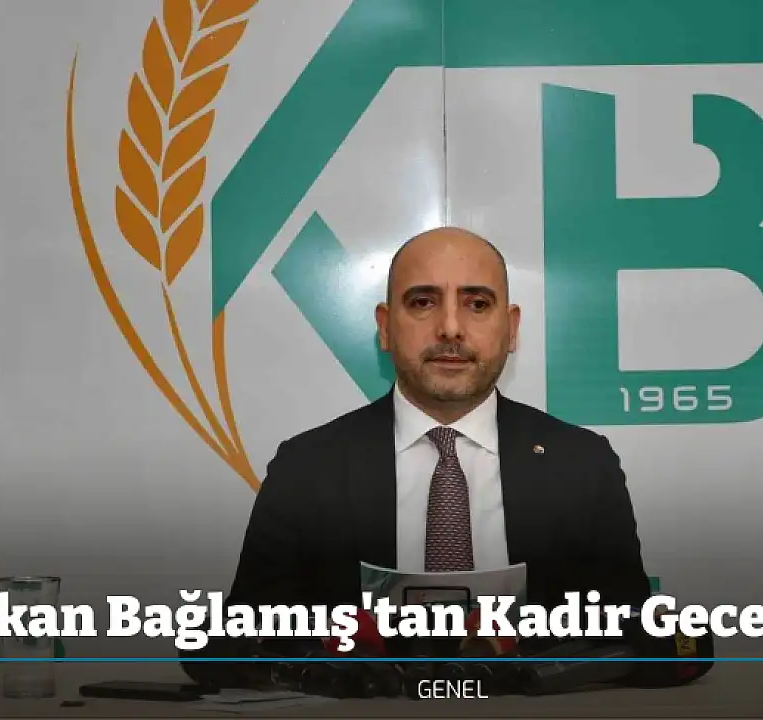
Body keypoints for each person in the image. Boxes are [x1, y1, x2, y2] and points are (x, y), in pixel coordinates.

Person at [224, 226, 649, 627]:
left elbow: (631, 642)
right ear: (385, 327)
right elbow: (248, 642)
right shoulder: (305, 470)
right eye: (423, 302)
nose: (450, 329)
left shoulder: (584, 467)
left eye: (477, 304)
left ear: (511, 328)